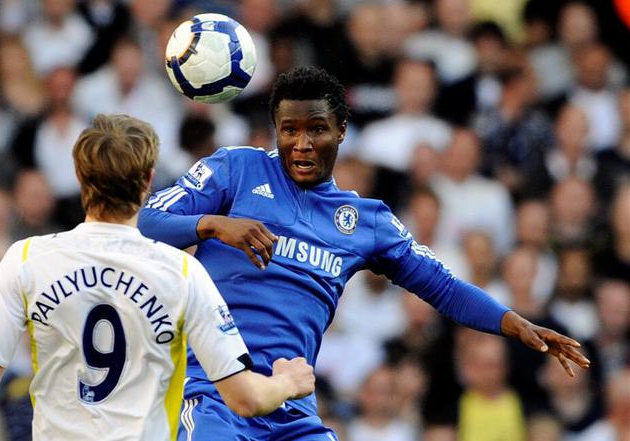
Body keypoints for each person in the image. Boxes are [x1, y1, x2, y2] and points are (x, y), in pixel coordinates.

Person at [138, 66, 591, 440]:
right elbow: (143, 222)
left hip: (290, 409)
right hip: (213, 395)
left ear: (341, 131)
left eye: (316, 129)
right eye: (288, 130)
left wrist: (513, 323)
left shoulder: (365, 222)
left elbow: (443, 287)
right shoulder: (236, 169)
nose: (301, 143)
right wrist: (213, 224)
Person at [0, 114, 316, 440]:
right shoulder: (183, 273)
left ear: (79, 176)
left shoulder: (27, 258)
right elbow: (245, 399)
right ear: (149, 182)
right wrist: (287, 382)